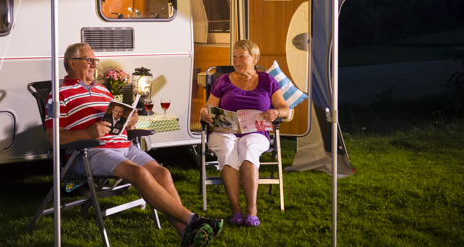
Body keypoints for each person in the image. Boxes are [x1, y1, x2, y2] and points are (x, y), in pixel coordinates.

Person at [46, 43, 223, 246]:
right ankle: (195, 220)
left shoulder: (102, 90)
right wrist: (87, 133)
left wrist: (129, 122)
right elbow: (52, 138)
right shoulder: (59, 94)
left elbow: (117, 125)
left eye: (95, 60)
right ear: (72, 63)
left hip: (123, 146)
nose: (94, 65)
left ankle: (186, 234)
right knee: (139, 174)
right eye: (89, 60)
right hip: (90, 151)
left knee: (163, 173)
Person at [199, 40, 289, 227]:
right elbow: (208, 106)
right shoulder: (222, 81)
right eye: (234, 56)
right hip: (224, 130)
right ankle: (236, 209)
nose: (236, 60)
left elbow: (285, 109)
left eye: (241, 56)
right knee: (227, 148)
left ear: (254, 58)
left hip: (255, 131)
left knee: (249, 149)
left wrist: (276, 113)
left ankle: (251, 210)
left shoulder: (267, 81)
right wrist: (205, 113)